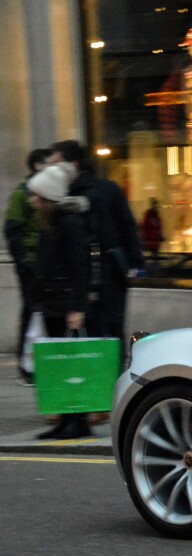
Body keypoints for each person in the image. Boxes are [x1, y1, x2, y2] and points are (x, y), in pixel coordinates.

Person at [46, 139, 144, 348]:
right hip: (107, 272)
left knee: (103, 329)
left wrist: (135, 262)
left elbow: (127, 226)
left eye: (55, 164)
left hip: (103, 272)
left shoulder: (88, 194)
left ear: (72, 165)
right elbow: (128, 225)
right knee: (108, 330)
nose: (51, 171)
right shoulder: (102, 189)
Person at [26, 163, 94, 440]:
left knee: (71, 366)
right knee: (59, 366)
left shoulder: (70, 224)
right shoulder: (51, 224)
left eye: (37, 197)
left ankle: (79, 421)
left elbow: (81, 267)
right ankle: (66, 420)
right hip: (53, 303)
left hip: (66, 304)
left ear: (49, 199)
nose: (33, 201)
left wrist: (77, 307)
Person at [4, 147, 52, 385]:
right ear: (37, 166)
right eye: (47, 164)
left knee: (39, 312)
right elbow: (12, 230)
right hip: (31, 264)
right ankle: (27, 366)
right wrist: (23, 262)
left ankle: (38, 363)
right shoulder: (22, 194)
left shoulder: (45, 192)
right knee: (31, 311)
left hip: (42, 262)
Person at [141, 197, 163, 270]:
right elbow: (145, 227)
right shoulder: (150, 215)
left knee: (155, 255)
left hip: (155, 239)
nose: (156, 206)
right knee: (154, 255)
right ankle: (153, 269)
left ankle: (154, 268)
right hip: (151, 239)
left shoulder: (156, 215)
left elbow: (159, 227)